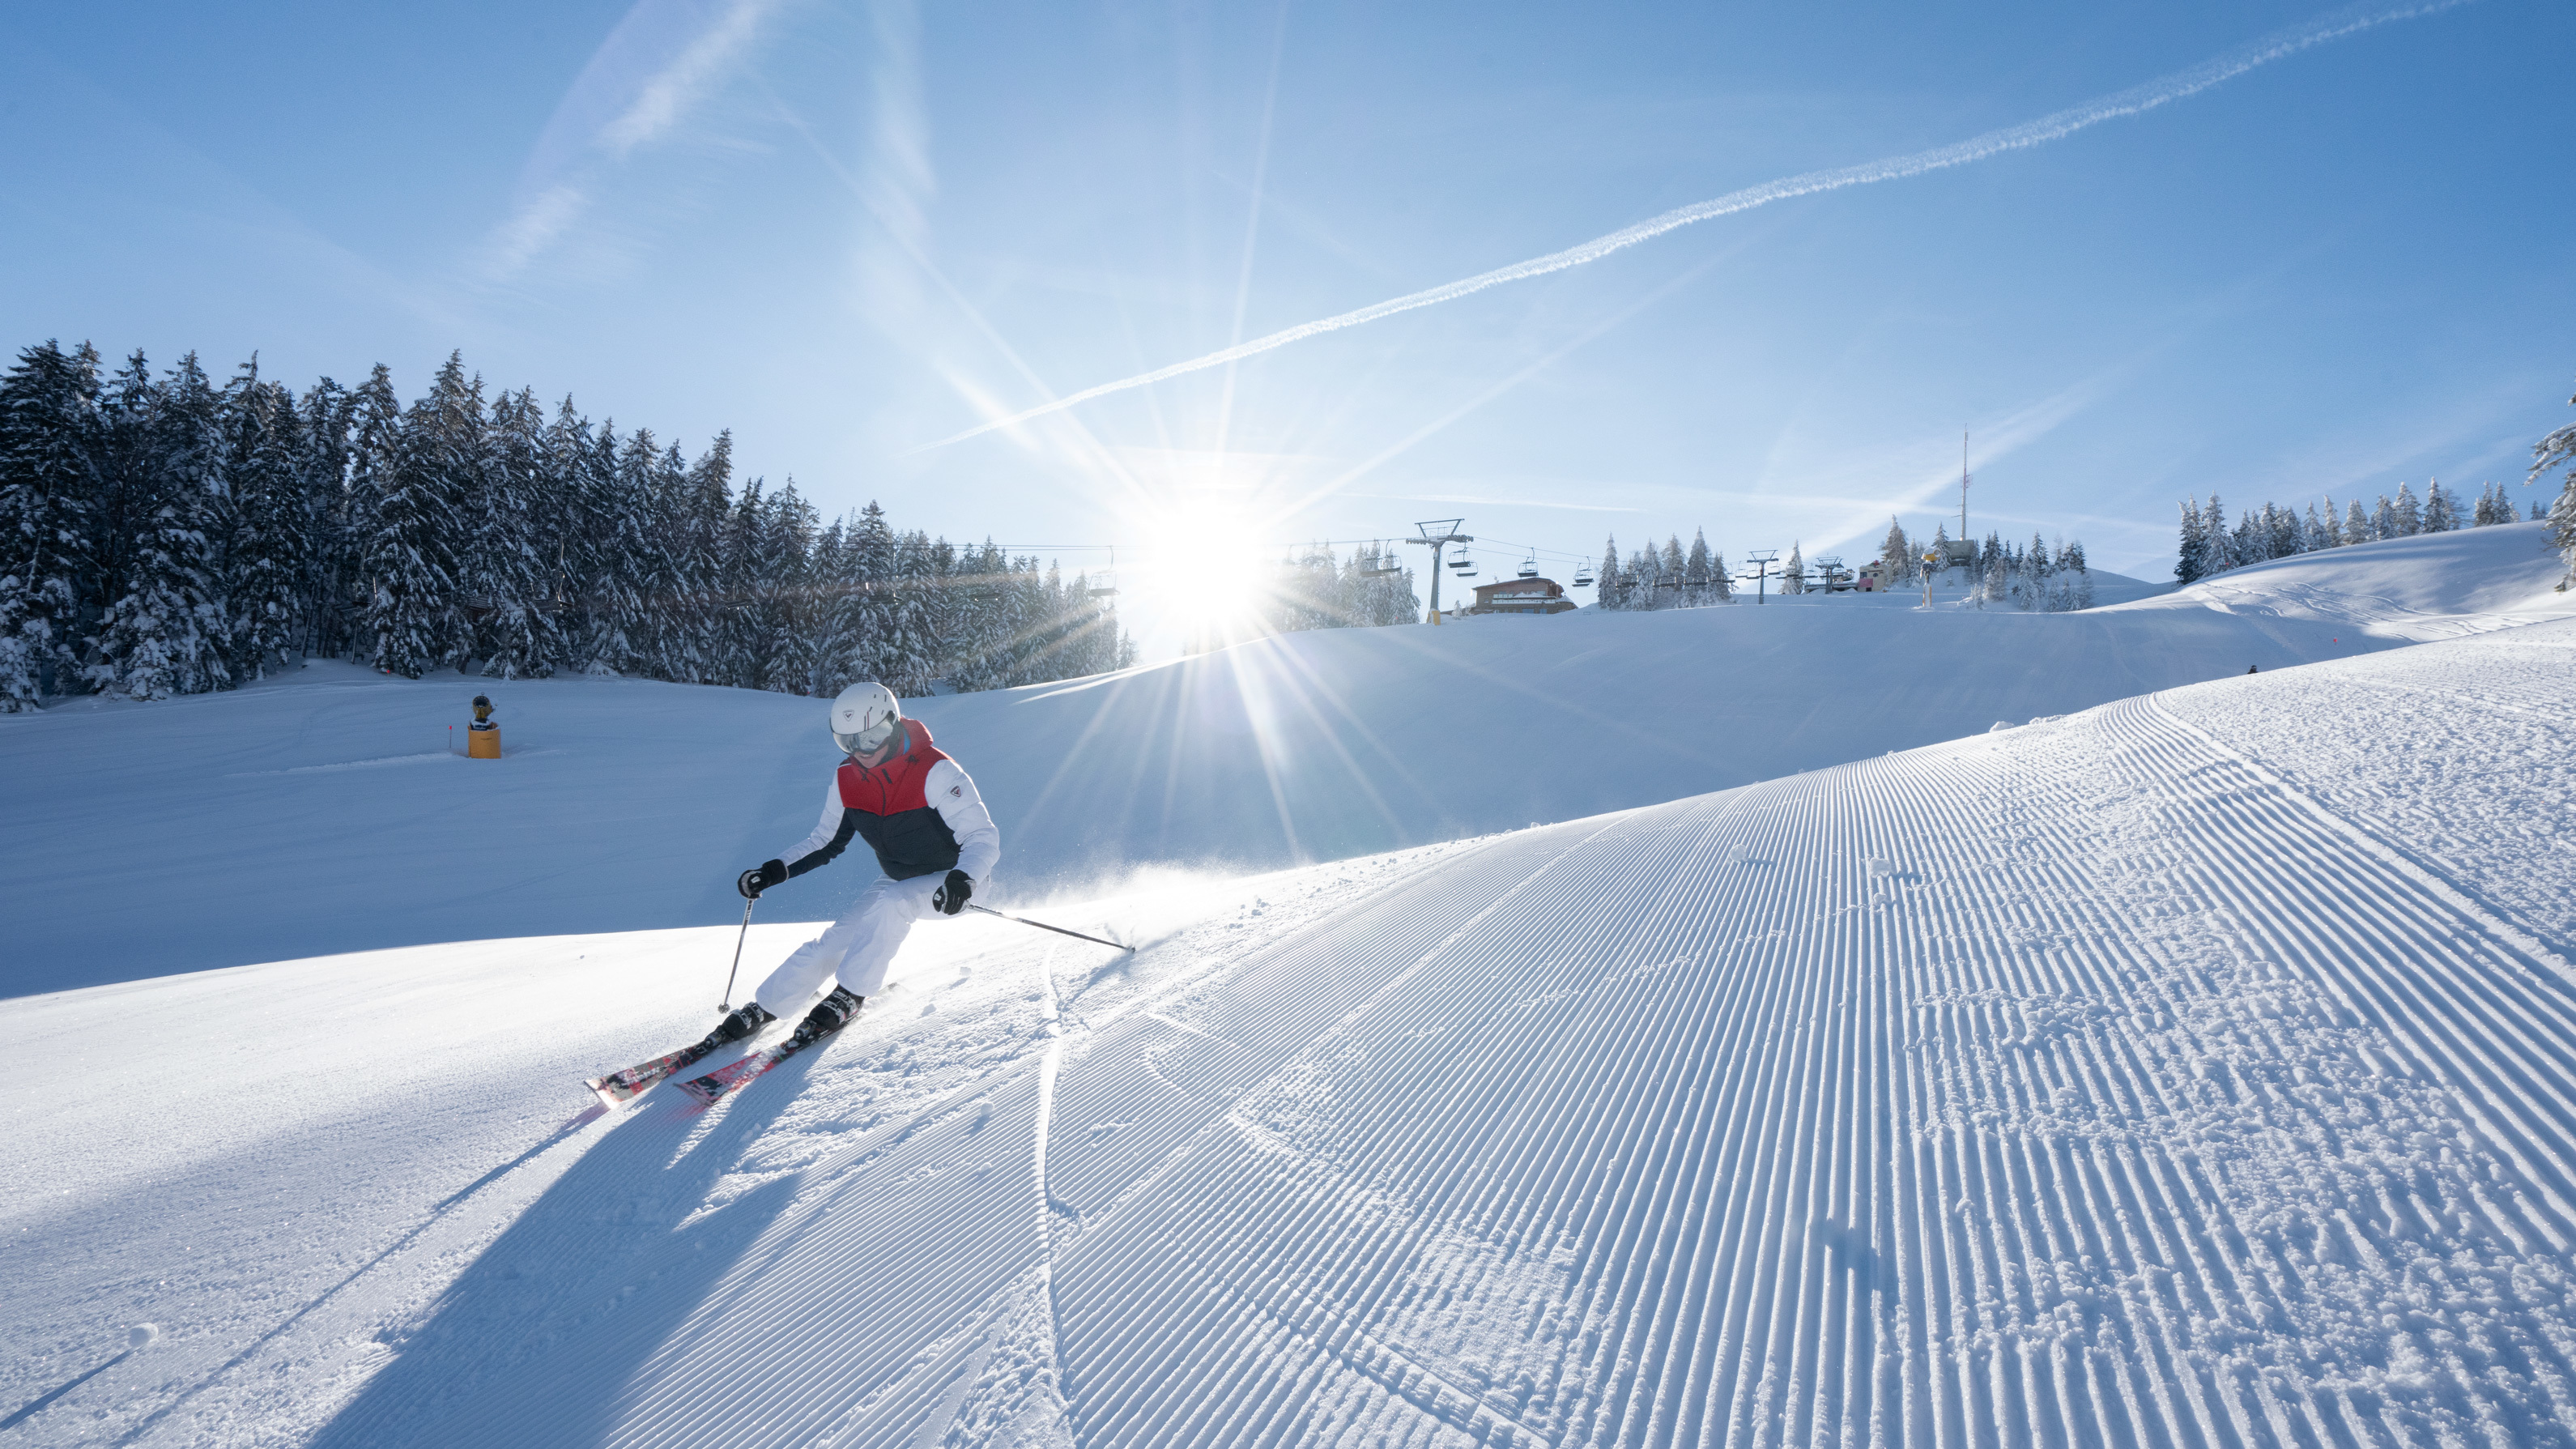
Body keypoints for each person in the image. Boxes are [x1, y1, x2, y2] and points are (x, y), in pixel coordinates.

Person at [699, 681, 999, 1052]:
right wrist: (774, 870)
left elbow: (983, 837)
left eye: (871, 738)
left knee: (894, 904)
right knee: (835, 941)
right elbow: (825, 840)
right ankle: (767, 1006)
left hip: (956, 883)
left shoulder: (936, 771)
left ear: (891, 724)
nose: (862, 751)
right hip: (898, 878)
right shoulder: (847, 778)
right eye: (849, 742)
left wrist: (963, 880)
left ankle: (851, 994)